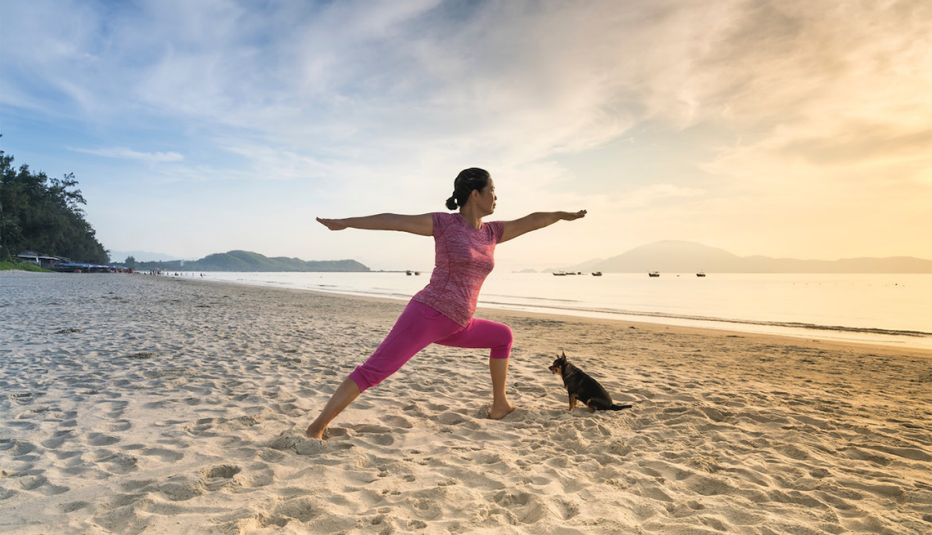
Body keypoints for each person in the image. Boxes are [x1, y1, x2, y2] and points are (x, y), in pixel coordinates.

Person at [306, 167, 586, 439]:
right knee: (373, 372)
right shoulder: (444, 224)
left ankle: (500, 405)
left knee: (503, 336)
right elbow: (394, 220)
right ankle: (316, 428)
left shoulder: (492, 233)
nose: (496, 196)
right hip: (428, 315)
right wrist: (346, 222)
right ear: (475, 194)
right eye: (493, 190)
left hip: (458, 324)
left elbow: (533, 220)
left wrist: (562, 215)